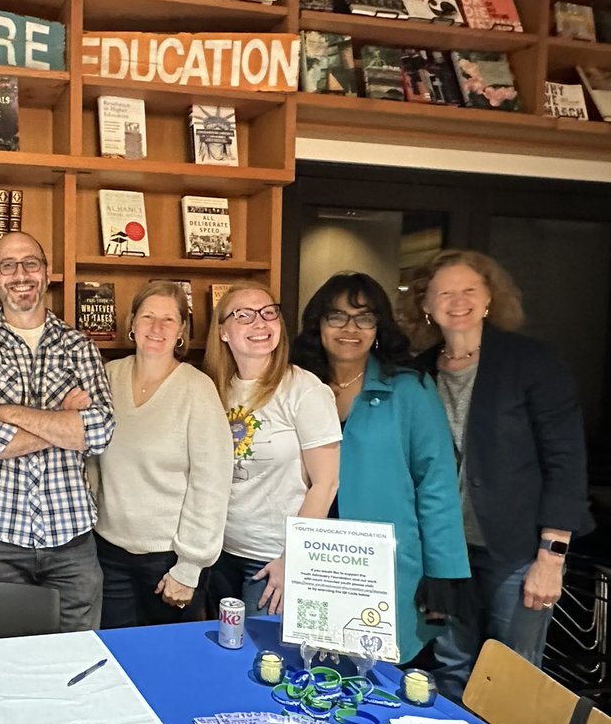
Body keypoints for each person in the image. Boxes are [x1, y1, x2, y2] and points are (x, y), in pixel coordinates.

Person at [406, 250, 593, 700]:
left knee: (511, 679)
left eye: (469, 290)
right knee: (451, 669)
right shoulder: (417, 372)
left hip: (517, 552)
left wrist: (552, 557)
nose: (458, 301)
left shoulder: (531, 362)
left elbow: (566, 460)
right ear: (426, 306)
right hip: (446, 552)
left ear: (490, 298)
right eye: (444, 292)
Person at [291, 273, 470, 665]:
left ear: (379, 328)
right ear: (318, 324)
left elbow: (436, 482)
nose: (350, 329)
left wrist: (443, 571)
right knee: (308, 671)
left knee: (381, 679)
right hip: (311, 561)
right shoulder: (296, 384)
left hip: (385, 567)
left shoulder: (410, 389)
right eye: (336, 317)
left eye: (364, 318)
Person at [0, 231, 115, 631]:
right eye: (8, 265)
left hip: (71, 541)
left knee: (78, 663)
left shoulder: (80, 346)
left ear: (47, 273)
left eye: (30, 264)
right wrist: (63, 418)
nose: (20, 274)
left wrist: (9, 413)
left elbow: (99, 431)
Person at [90, 282, 232, 628]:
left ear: (182, 330)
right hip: (108, 553)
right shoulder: (107, 377)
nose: (156, 328)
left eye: (169, 319)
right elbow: (91, 460)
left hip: (170, 562)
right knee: (118, 662)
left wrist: (189, 567)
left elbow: (211, 483)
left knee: (170, 665)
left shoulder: (196, 389)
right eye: (148, 317)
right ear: (132, 323)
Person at [201, 282, 340, 617]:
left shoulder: (305, 390)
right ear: (223, 332)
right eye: (244, 315)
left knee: (260, 661)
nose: (260, 324)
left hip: (271, 560)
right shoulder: (213, 388)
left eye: (268, 313)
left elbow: (326, 484)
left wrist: (292, 557)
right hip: (217, 553)